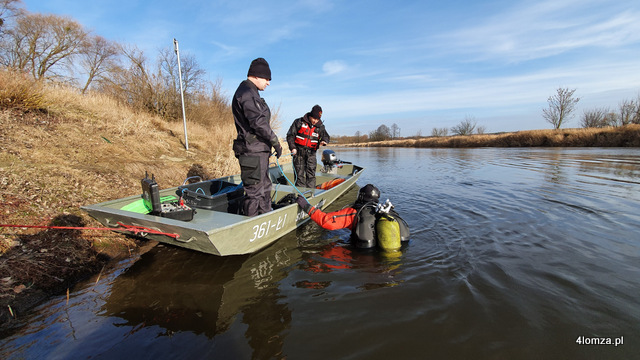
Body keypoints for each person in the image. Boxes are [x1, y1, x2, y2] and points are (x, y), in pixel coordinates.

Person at [232, 58, 283, 216]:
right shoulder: (247, 94)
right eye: (267, 79)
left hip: (258, 151)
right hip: (252, 152)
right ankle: (251, 227)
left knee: (264, 189)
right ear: (256, 76)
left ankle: (265, 219)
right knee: (255, 193)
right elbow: (259, 123)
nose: (268, 83)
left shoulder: (251, 92)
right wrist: (276, 142)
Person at [295, 184, 410, 250]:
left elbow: (327, 221)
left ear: (361, 196)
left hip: (361, 256)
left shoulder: (354, 212)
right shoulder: (385, 212)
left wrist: (306, 206)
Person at [286, 105, 330, 188]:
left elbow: (326, 136)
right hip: (298, 152)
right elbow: (290, 136)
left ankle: (311, 194)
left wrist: (324, 141)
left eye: (317, 119)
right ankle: (301, 196)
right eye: (314, 118)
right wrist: (293, 148)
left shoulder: (320, 126)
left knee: (311, 175)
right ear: (310, 115)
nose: (315, 121)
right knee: (299, 175)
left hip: (311, 153)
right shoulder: (298, 122)